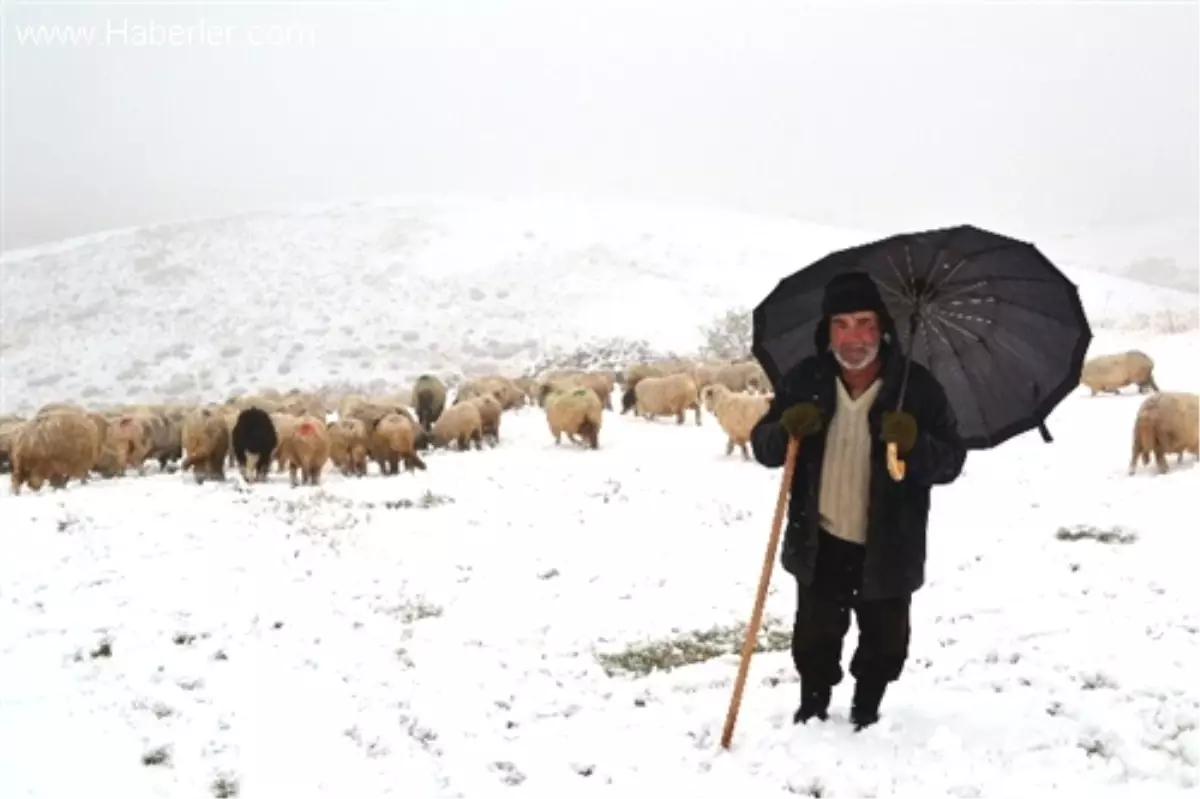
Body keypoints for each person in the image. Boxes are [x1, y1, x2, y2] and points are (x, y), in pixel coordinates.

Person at [749, 271, 966, 731]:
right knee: (814, 636)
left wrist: (915, 444)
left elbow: (951, 462)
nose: (853, 337)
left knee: (886, 641)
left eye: (864, 323)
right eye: (841, 324)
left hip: (890, 542)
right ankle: (812, 705)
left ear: (883, 327)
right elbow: (764, 446)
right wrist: (785, 428)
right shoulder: (805, 380)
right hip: (819, 535)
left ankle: (867, 706)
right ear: (826, 331)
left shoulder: (917, 388)